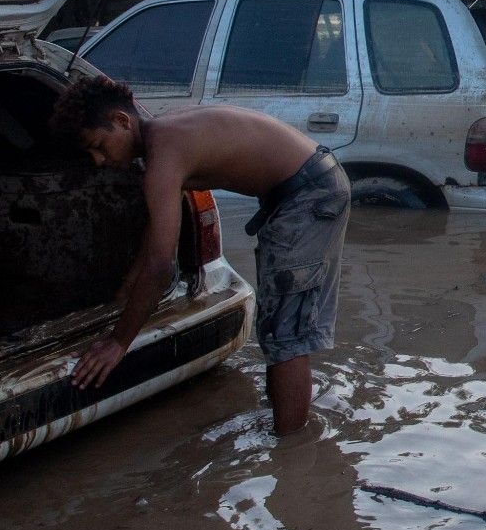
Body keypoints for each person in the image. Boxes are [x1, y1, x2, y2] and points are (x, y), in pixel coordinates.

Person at [50, 75, 350, 435]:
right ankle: (284, 428)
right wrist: (129, 283)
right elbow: (158, 231)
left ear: (121, 121)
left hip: (307, 194)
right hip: (306, 187)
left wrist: (118, 343)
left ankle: (292, 455)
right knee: (276, 327)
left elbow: (161, 267)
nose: (99, 160)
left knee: (286, 335)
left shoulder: (164, 153)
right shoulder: (163, 137)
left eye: (99, 145)